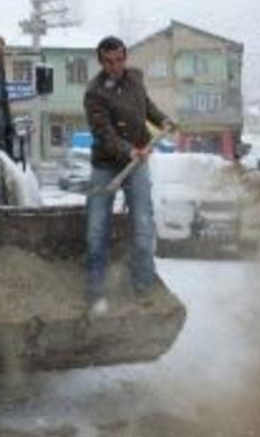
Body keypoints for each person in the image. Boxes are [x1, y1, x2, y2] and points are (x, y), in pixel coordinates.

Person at [83, 36, 176, 314]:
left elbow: (145, 106)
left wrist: (163, 120)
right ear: (101, 62)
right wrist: (128, 151)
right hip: (106, 165)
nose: (116, 66)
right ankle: (96, 293)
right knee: (96, 228)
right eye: (109, 62)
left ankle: (143, 288)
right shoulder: (94, 93)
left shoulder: (135, 78)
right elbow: (104, 133)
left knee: (144, 224)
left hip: (137, 162)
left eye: (120, 59)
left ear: (125, 57)